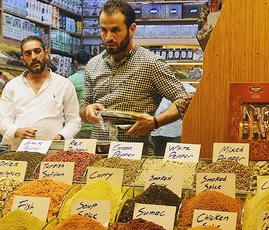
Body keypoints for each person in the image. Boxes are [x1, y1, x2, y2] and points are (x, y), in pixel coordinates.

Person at [79, 0, 192, 154]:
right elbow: (83, 109)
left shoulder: (151, 63)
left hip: (135, 156)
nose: (108, 37)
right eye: (103, 30)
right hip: (97, 155)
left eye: (115, 30)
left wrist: (155, 122)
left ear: (132, 29)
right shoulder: (93, 65)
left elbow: (184, 101)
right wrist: (87, 111)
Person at [0, 36, 81, 150]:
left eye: (37, 51)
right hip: (21, 152)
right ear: (22, 60)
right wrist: (16, 131)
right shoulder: (12, 87)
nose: (34, 57)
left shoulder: (64, 85)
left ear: (46, 54)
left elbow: (74, 120)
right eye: (28, 54)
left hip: (53, 153)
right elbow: (3, 120)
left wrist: (62, 136)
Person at [151, 83, 196, 156]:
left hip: (171, 133)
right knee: (155, 160)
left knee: (169, 160)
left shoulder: (186, 89)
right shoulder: (156, 88)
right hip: (155, 132)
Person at [68, 49, 92, 138]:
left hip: (78, 125)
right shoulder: (96, 77)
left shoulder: (70, 80)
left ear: (75, 61)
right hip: (96, 123)